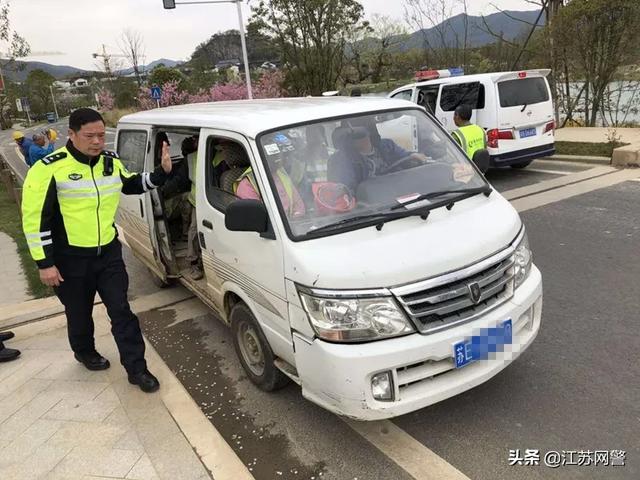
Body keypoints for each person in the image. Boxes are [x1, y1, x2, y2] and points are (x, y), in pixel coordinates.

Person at [21, 108, 173, 393]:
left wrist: (160, 174)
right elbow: (34, 219)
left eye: (102, 135)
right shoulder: (49, 168)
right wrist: (44, 263)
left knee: (122, 311)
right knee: (78, 312)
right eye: (90, 136)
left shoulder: (110, 162)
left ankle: (137, 369)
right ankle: (84, 351)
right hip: (70, 259)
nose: (97, 142)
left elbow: (131, 184)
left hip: (108, 254)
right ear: (72, 134)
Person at [327, 126, 428, 193]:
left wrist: (414, 155)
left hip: (399, 190)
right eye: (356, 136)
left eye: (363, 134)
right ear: (349, 140)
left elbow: (405, 157)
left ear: (369, 133)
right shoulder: (342, 160)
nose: (363, 139)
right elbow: (347, 187)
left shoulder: (386, 145)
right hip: (373, 203)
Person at [234, 135, 306, 217]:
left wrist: (296, 216)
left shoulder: (281, 174)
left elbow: (299, 205)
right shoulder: (248, 184)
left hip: (290, 226)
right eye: (273, 155)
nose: (279, 158)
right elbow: (256, 217)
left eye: (278, 154)